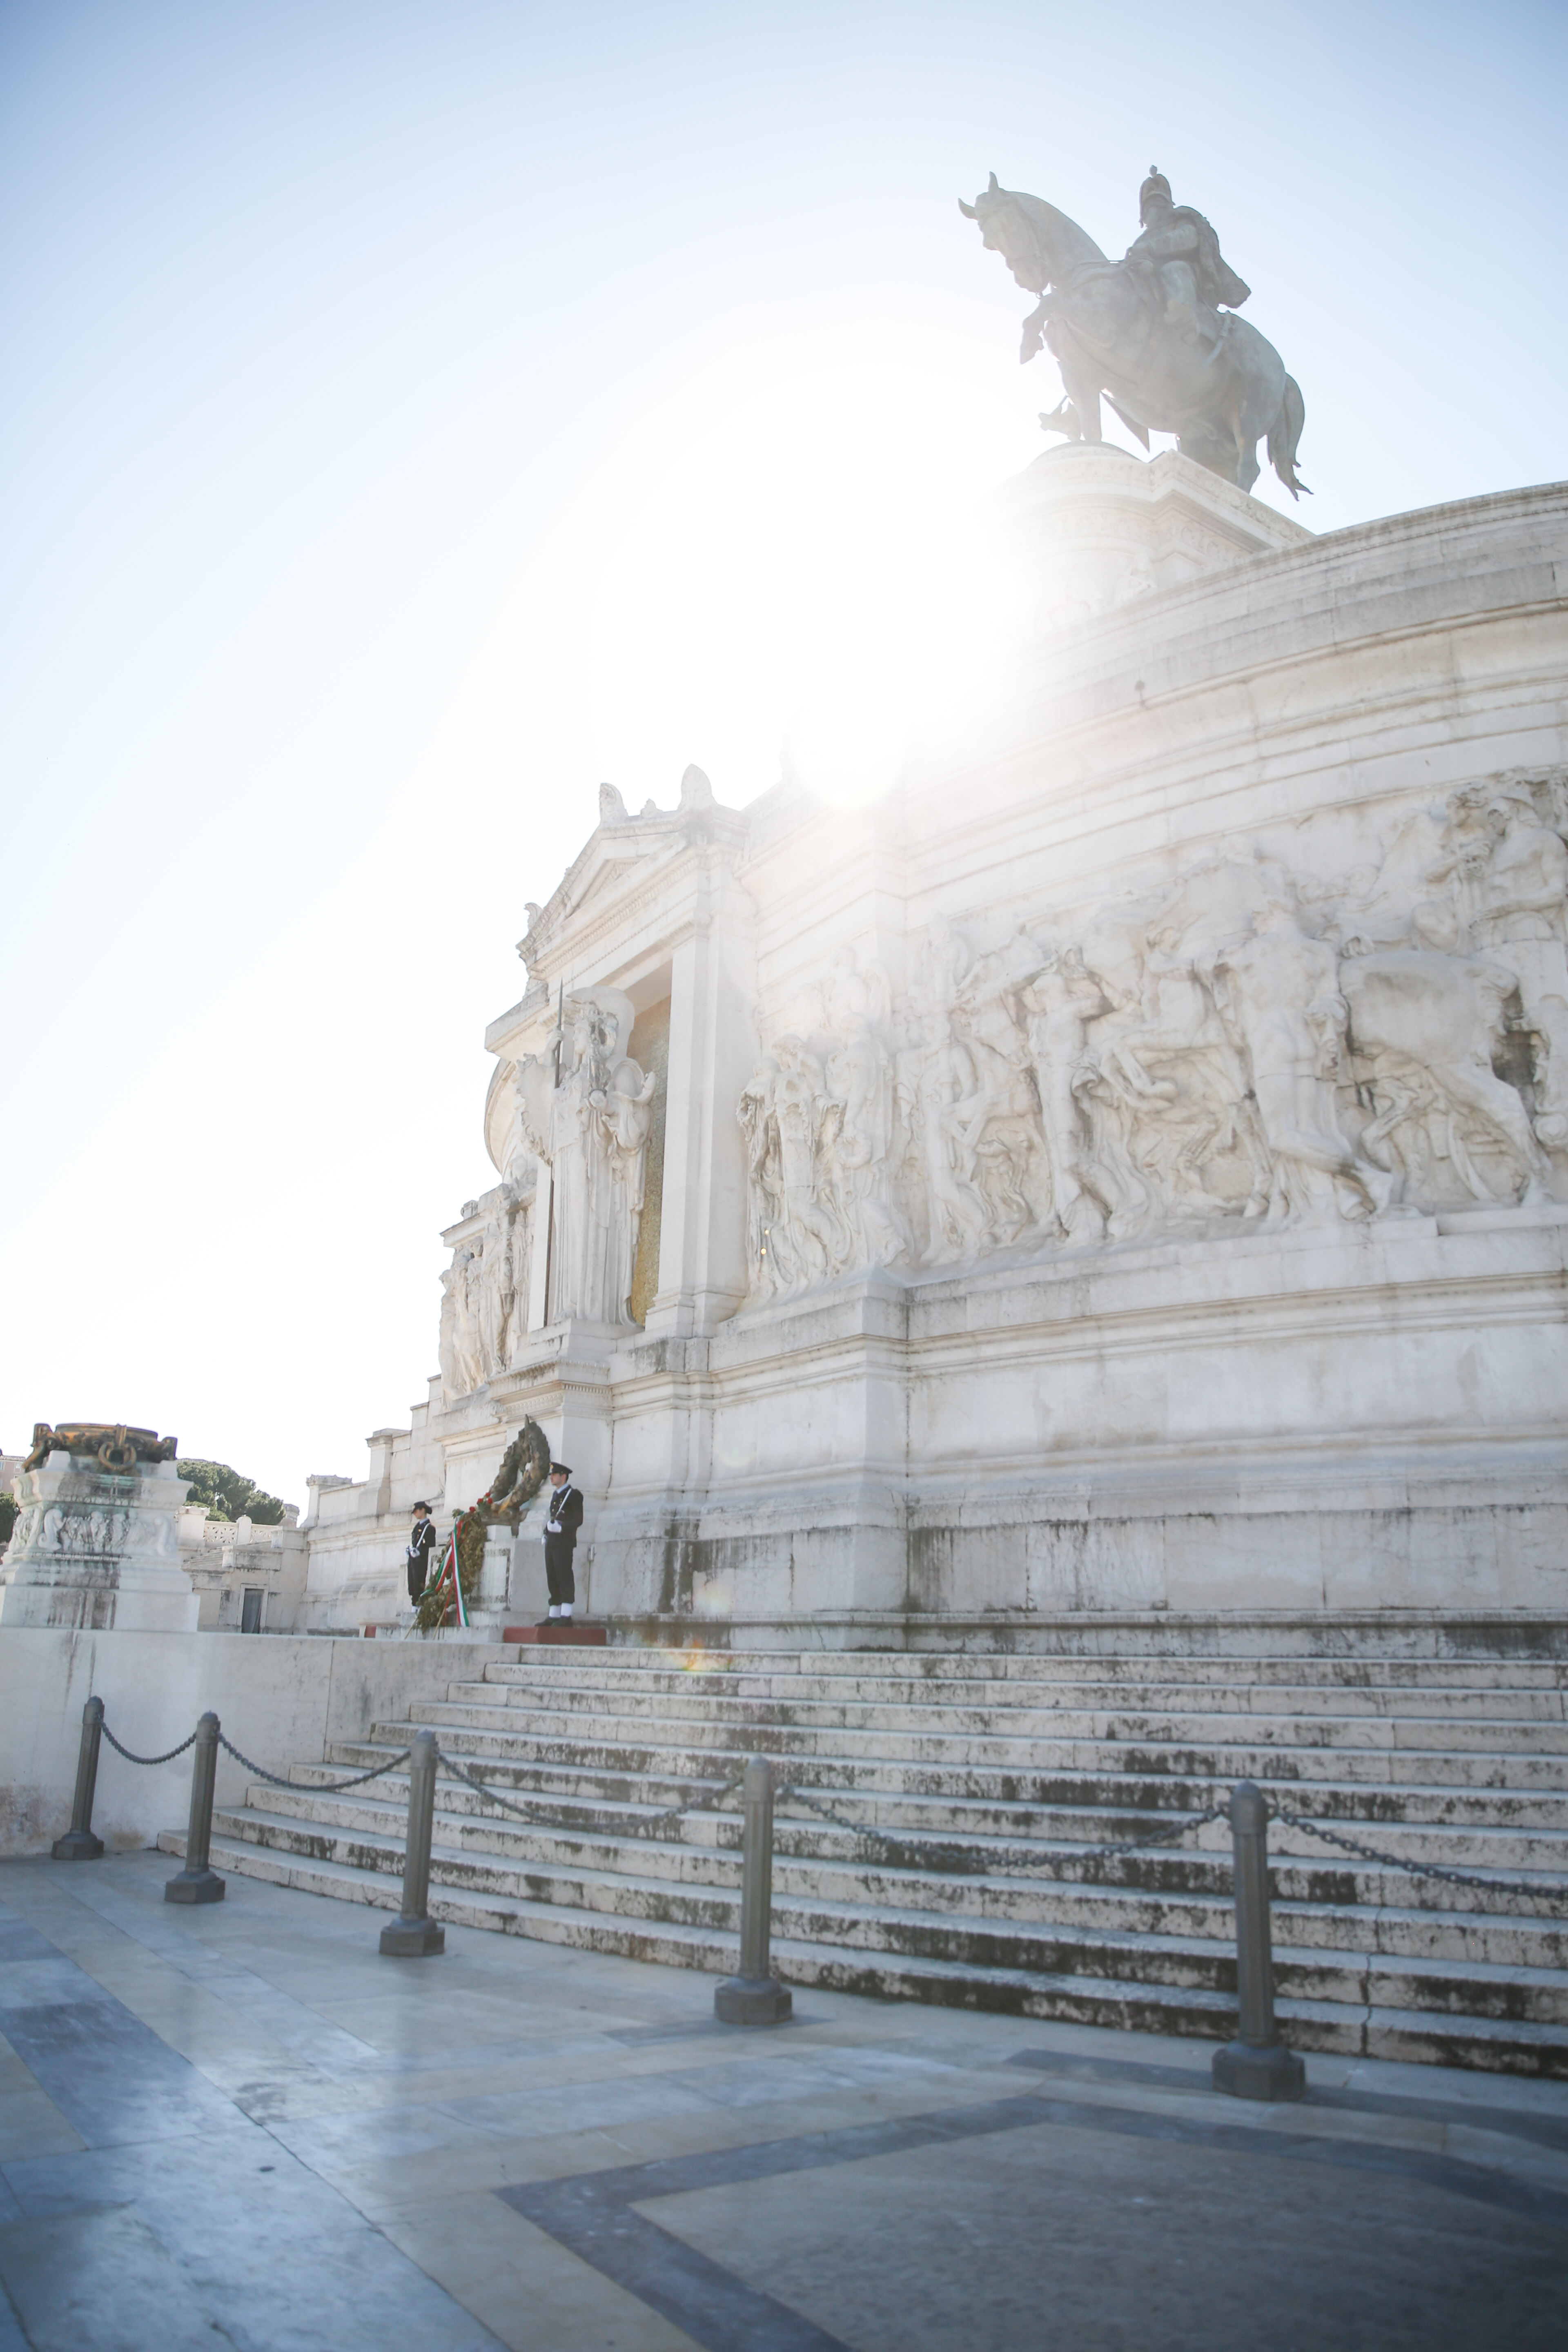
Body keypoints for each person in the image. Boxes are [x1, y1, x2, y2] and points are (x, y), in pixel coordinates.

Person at [1123, 166, 1250, 354]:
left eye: (1158, 201)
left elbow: (1189, 237)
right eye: (1149, 204)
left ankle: (1185, 322)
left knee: (1175, 270)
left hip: (1189, 276)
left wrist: (1151, 248)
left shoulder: (1182, 217)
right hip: (1148, 278)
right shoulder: (1141, 240)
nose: (1153, 207)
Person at [540, 1463, 584, 1622]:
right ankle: (554, 1614)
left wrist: (562, 1528)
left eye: (554, 1474)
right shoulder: (556, 1495)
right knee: (552, 1576)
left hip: (564, 1542)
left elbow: (578, 1520)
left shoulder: (573, 1495)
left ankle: (566, 1614)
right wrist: (547, 1533)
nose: (551, 1477)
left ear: (563, 1476)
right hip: (553, 1542)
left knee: (564, 1575)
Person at [406, 1502, 439, 1603]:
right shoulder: (417, 1528)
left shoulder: (429, 1528)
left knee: (419, 1582)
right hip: (414, 1561)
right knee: (412, 1581)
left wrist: (420, 1552)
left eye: (417, 1511)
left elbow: (430, 1546)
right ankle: (414, 1602)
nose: (415, 1514)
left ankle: (419, 1602)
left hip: (421, 1561)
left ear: (423, 1510)